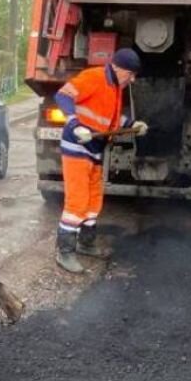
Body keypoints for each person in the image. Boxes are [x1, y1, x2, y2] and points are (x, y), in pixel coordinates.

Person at [53, 47, 148, 274]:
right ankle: (64, 251)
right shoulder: (94, 77)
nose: (132, 79)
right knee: (77, 202)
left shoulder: (115, 86)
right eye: (131, 74)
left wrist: (131, 124)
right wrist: (75, 125)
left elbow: (111, 118)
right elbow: (63, 95)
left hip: (94, 149)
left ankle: (86, 243)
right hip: (77, 146)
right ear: (117, 68)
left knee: (93, 200)